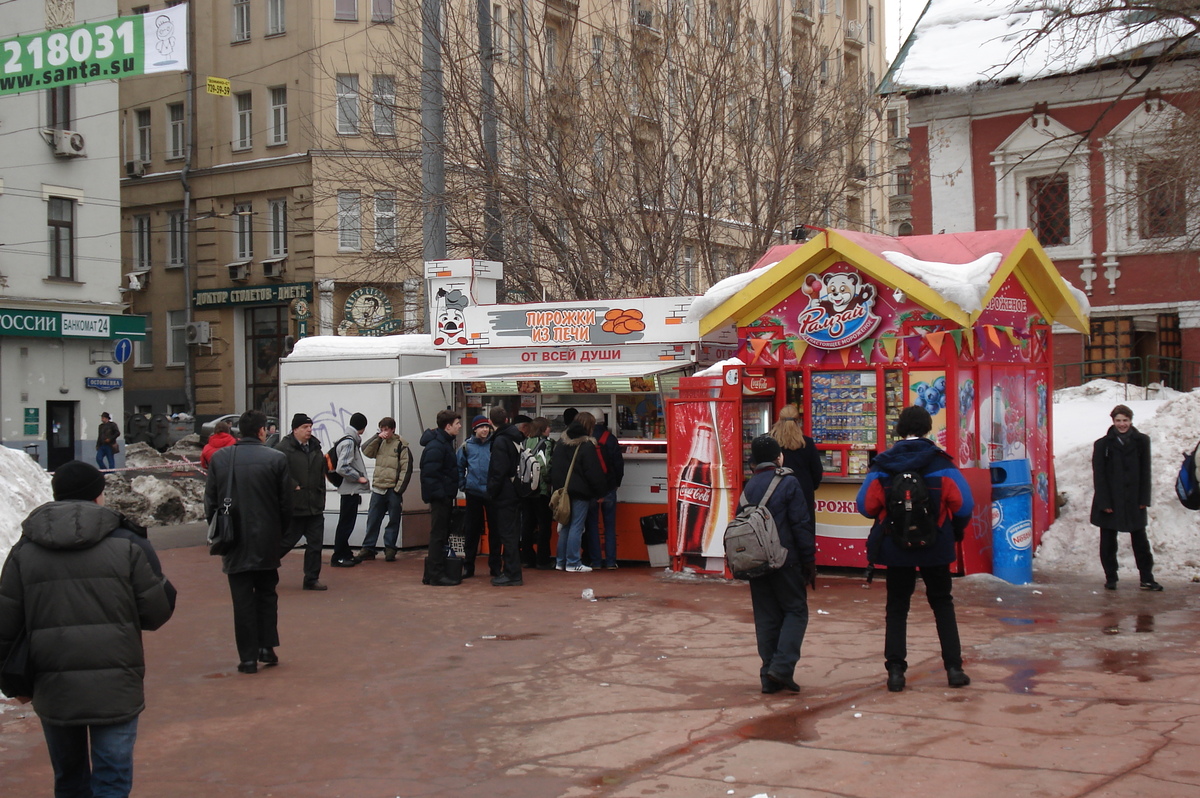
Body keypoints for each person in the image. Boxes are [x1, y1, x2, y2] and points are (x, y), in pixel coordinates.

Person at [0, 461, 175, 798]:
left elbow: (6, 625)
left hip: (53, 685)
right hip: (116, 682)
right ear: (97, 496)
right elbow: (156, 612)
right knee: (112, 777)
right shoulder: (127, 543)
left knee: (69, 778)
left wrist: (11, 683)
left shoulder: (25, 550)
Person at [856, 405, 973, 692]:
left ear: (899, 429)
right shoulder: (942, 463)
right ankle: (954, 668)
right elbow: (965, 505)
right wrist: (952, 528)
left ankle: (896, 672)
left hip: (897, 548)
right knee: (942, 604)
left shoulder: (883, 465)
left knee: (897, 608)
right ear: (927, 428)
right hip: (936, 546)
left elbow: (865, 507)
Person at [205, 410, 292, 674]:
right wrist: (280, 535)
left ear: (238, 431)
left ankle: (247, 658)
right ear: (263, 430)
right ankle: (267, 646)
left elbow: (210, 502)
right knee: (267, 594)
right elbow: (286, 505)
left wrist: (221, 529)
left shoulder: (221, 459)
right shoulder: (277, 459)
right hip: (267, 539)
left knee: (241, 600)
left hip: (233, 540)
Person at [742, 435, 815, 694]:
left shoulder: (749, 487)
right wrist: (809, 561)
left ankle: (768, 675)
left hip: (756, 562)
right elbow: (801, 524)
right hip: (786, 560)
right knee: (796, 611)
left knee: (766, 617)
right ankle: (782, 668)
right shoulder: (789, 482)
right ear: (778, 457)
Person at [1091, 404, 1161, 591]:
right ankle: (1111, 577)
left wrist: (1144, 499)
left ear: (1131, 421)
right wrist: (1104, 502)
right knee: (1108, 542)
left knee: (1140, 542)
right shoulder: (1102, 445)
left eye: (1125, 420)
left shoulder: (1142, 441)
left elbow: (1146, 471)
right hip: (1110, 500)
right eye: (1118, 421)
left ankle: (1147, 578)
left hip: (1133, 499)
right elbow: (1099, 476)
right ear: (1113, 421)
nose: (1122, 424)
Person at [276, 413, 329, 591]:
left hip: (314, 506)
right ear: (295, 429)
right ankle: (263, 570)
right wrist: (293, 485)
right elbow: (277, 473)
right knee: (284, 543)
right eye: (305, 427)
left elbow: (321, 474)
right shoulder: (283, 449)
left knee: (315, 544)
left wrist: (321, 495)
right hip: (295, 507)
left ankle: (311, 579)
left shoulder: (315, 447)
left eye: (310, 427)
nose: (309, 430)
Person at [550, 415, 608, 573]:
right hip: (581, 492)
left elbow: (554, 467)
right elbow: (593, 472)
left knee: (565, 527)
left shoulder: (561, 442)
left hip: (563, 492)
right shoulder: (587, 445)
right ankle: (573, 562)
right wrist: (600, 492)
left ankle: (560, 562)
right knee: (577, 526)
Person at [356, 417, 414, 563]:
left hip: (392, 489)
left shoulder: (401, 445)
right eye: (381, 429)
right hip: (378, 487)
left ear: (392, 429)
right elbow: (365, 451)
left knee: (393, 520)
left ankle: (390, 548)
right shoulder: (379, 442)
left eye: (386, 429)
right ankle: (368, 547)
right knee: (373, 519)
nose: (384, 432)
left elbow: (406, 468)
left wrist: (398, 489)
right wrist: (377, 437)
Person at [419, 409, 463, 586]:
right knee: (438, 535)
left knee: (440, 534)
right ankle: (436, 574)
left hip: (443, 496)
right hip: (441, 498)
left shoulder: (442, 443)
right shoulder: (437, 446)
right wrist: (442, 494)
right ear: (448, 426)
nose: (460, 426)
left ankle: (431, 573)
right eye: (457, 424)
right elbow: (430, 474)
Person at [486, 406, 526, 586]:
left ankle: (512, 573)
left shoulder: (501, 441)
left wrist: (491, 491)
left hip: (504, 493)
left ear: (490, 422)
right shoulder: (515, 437)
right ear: (508, 419)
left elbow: (498, 470)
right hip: (515, 489)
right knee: (513, 532)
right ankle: (512, 570)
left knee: (507, 534)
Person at [770, 404, 824, 524]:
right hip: (803, 492)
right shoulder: (808, 443)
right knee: (804, 532)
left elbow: (756, 465)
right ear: (798, 421)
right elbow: (817, 472)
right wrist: (810, 486)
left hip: (776, 492)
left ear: (779, 420)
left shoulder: (770, 442)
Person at [331, 412, 371, 568]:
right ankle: (339, 555)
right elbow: (342, 467)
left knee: (346, 523)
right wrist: (358, 477)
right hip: (350, 489)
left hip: (349, 489)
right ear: (362, 427)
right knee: (346, 524)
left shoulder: (347, 439)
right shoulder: (349, 442)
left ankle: (345, 552)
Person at [457, 415, 494, 578]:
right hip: (473, 493)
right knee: (471, 531)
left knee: (495, 530)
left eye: (487, 426)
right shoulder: (466, 446)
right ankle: (468, 566)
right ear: (474, 429)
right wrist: (463, 484)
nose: (485, 429)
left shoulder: (494, 444)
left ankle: (495, 566)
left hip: (492, 493)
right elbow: (459, 467)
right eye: (481, 427)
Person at [588, 409, 624, 570]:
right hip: (609, 488)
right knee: (610, 526)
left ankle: (596, 561)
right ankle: (610, 561)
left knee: (593, 525)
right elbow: (618, 464)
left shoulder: (586, 439)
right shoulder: (610, 439)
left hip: (591, 489)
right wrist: (616, 483)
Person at [522, 417, 556, 569]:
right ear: (543, 429)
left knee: (527, 524)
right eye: (548, 427)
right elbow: (546, 465)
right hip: (540, 489)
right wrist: (549, 481)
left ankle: (527, 557)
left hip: (525, 489)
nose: (550, 429)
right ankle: (543, 559)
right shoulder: (547, 444)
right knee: (544, 524)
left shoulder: (523, 443)